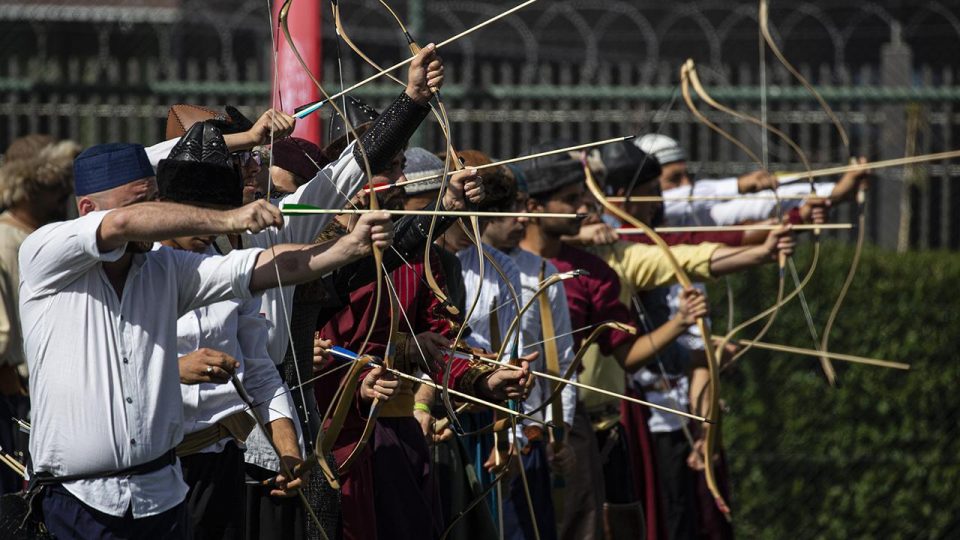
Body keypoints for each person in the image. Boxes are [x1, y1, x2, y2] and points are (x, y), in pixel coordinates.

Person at [20, 141, 394, 539]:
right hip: (78, 501)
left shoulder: (164, 268)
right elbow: (121, 225)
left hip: (161, 497)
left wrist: (347, 247)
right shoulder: (46, 253)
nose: (158, 214)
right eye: (143, 204)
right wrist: (228, 218)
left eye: (156, 199)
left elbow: (259, 268)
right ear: (87, 211)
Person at [0, 137, 79, 495]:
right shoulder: (5, 244)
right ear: (28, 187)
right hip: (17, 402)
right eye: (54, 185)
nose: (64, 194)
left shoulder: (49, 240)